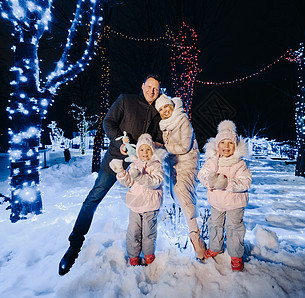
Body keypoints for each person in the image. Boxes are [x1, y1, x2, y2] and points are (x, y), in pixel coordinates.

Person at [59, 74, 163, 275]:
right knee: (93, 198)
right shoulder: (126, 100)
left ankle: (142, 251)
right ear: (142, 86)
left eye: (156, 89)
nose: (152, 91)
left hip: (140, 169)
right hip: (114, 161)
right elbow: (108, 122)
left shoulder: (158, 112)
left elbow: (159, 139)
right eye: (149, 86)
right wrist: (120, 143)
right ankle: (74, 245)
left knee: (144, 208)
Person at [155, 94, 206, 260]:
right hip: (175, 166)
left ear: (171, 106)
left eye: (166, 107)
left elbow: (184, 146)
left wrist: (164, 147)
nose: (164, 111)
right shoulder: (164, 125)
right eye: (161, 109)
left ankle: (195, 237)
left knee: (182, 192)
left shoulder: (182, 120)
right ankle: (192, 233)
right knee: (179, 196)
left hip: (188, 164)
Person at [197, 120, 252, 271]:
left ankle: (235, 255)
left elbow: (245, 182)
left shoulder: (239, 164)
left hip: (235, 203)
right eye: (223, 143)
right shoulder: (212, 161)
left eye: (230, 143)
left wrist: (227, 184)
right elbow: (202, 174)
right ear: (217, 145)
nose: (226, 147)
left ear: (235, 146)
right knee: (215, 224)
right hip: (216, 202)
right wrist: (210, 182)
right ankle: (215, 247)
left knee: (234, 227)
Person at [109, 133, 166, 266]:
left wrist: (140, 177)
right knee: (133, 232)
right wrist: (121, 173)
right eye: (142, 149)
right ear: (138, 151)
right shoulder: (134, 165)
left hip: (151, 205)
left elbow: (156, 181)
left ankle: (148, 254)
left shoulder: (156, 165)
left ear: (152, 151)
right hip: (135, 204)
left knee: (148, 233)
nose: (145, 152)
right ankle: (133, 255)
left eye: (148, 149)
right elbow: (128, 182)